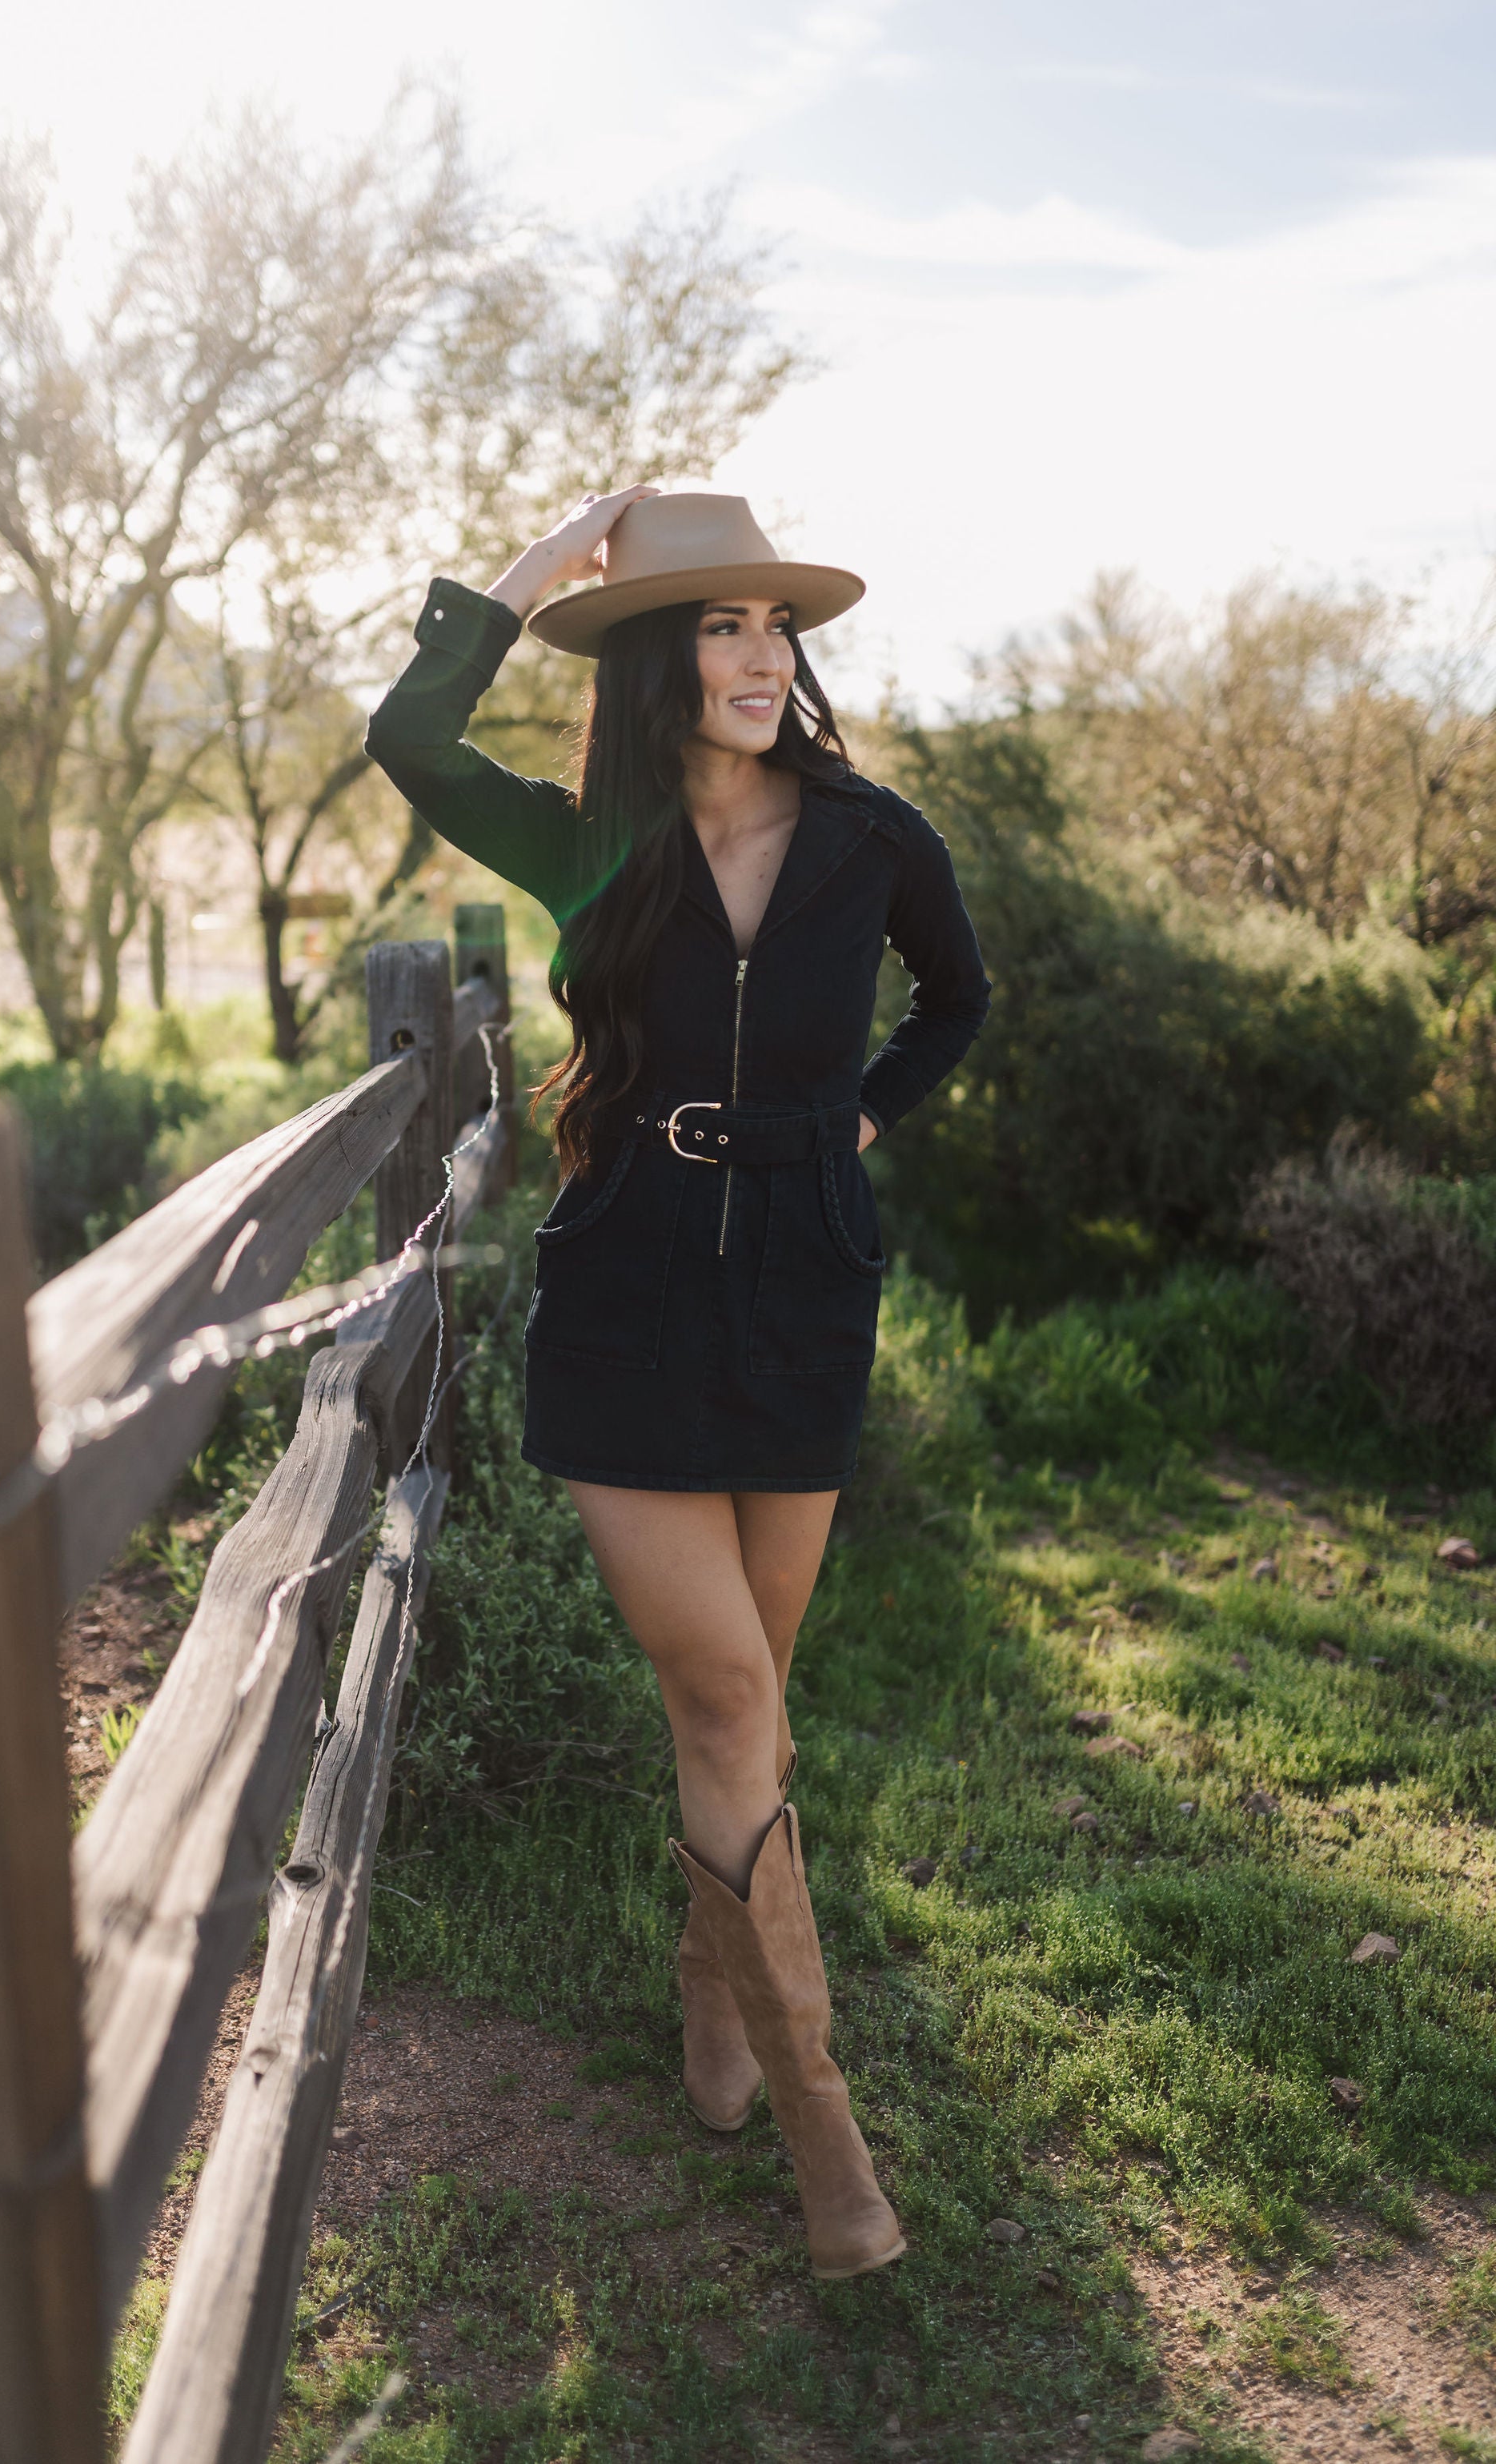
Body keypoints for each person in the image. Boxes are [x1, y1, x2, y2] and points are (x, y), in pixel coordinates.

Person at [366, 487, 990, 2280]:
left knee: (750, 1706)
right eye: (718, 628)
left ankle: (710, 1991)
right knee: (722, 1695)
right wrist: (547, 559)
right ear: (654, 660)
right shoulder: (584, 847)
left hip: (804, 1294)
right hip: (626, 1297)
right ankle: (827, 2143)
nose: (757, 657)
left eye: (771, 628)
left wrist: (852, 1119)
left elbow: (954, 1001)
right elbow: (407, 732)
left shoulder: (873, 837)